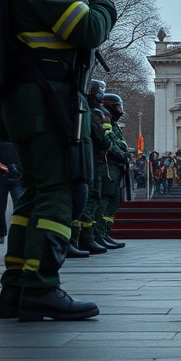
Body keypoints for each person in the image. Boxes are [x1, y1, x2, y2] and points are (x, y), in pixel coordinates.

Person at [0, 0, 116, 321]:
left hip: (25, 103)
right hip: (50, 104)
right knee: (63, 192)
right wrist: (102, 1)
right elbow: (87, 30)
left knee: (35, 193)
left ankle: (17, 289)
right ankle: (42, 286)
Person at [77, 80, 110, 255]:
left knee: (93, 199)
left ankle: (87, 237)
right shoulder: (93, 112)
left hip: (90, 158)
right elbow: (103, 140)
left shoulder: (89, 109)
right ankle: (84, 238)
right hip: (89, 160)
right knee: (90, 199)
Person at [94, 93, 128, 249]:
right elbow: (109, 144)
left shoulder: (113, 124)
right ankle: (98, 234)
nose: (121, 110)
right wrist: (123, 155)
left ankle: (105, 233)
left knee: (112, 203)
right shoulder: (103, 122)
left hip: (114, 167)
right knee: (104, 202)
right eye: (118, 107)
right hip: (106, 167)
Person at [0, 131, 23, 245]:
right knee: (0, 208)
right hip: (0, 178)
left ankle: (20, 232)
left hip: (17, 177)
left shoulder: (20, 135)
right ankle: (1, 234)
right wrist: (4, 168)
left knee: (20, 205)